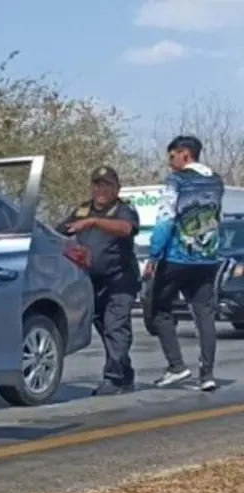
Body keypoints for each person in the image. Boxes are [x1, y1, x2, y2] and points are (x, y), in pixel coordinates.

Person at [146, 135, 223, 392]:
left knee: (159, 309)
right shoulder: (216, 181)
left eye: (171, 157)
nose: (169, 163)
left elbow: (166, 218)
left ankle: (176, 366)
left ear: (184, 154)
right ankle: (207, 374)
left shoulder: (176, 181)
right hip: (207, 257)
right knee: (204, 314)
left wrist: (154, 255)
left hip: (178, 257)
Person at [55, 166, 141, 395]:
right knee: (106, 331)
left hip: (120, 282)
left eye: (107, 185)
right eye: (97, 184)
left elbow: (126, 229)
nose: (101, 190)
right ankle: (125, 375)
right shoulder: (82, 210)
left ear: (116, 188)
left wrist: (94, 222)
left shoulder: (123, 210)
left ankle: (112, 379)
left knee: (116, 328)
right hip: (92, 283)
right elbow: (59, 232)